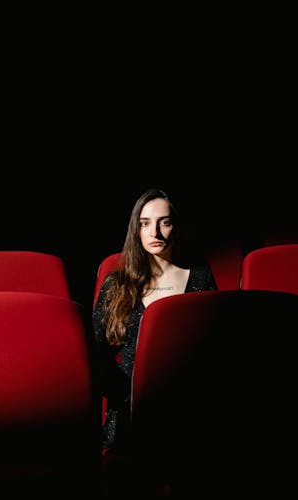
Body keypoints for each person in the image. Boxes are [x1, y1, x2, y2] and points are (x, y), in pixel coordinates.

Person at [92, 187, 217, 457]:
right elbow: (96, 354)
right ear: (135, 230)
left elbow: (213, 348)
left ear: (176, 227)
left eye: (165, 222)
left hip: (189, 411)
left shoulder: (199, 276)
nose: (155, 233)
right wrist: (128, 395)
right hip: (130, 413)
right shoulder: (117, 284)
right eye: (145, 224)